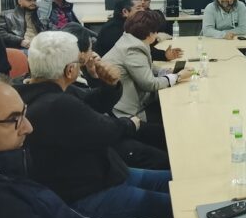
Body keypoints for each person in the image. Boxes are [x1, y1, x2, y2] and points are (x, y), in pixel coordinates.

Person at [15, 31, 175, 218]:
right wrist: (130, 124)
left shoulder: (30, 91)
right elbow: (107, 130)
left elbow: (91, 103)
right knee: (176, 204)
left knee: (174, 179)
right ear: (70, 70)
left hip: (104, 174)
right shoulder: (56, 104)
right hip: (86, 196)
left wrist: (109, 86)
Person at [0, 79, 160, 218]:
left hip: (99, 215)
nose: (28, 127)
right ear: (69, 69)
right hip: (97, 192)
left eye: (24, 113)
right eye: (15, 119)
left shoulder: (14, 167)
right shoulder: (7, 205)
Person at [63, 23, 170, 170]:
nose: (92, 52)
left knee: (163, 134)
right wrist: (128, 124)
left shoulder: (79, 74)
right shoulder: (68, 88)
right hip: (111, 138)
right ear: (80, 55)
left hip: (116, 124)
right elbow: (96, 118)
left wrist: (94, 75)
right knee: (164, 157)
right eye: (90, 48)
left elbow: (96, 103)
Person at [104, 10, 193, 122]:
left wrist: (165, 72)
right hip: (127, 113)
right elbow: (150, 84)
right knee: (175, 115)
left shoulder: (131, 40)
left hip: (128, 101)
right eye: (156, 32)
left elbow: (145, 65)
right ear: (150, 33)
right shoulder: (133, 50)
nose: (157, 35)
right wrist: (177, 77)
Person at [96, 0, 182, 61]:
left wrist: (164, 55)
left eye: (142, 7)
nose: (143, 11)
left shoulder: (130, 25)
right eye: (138, 8)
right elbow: (138, 52)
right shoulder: (113, 31)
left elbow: (143, 47)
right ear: (125, 12)